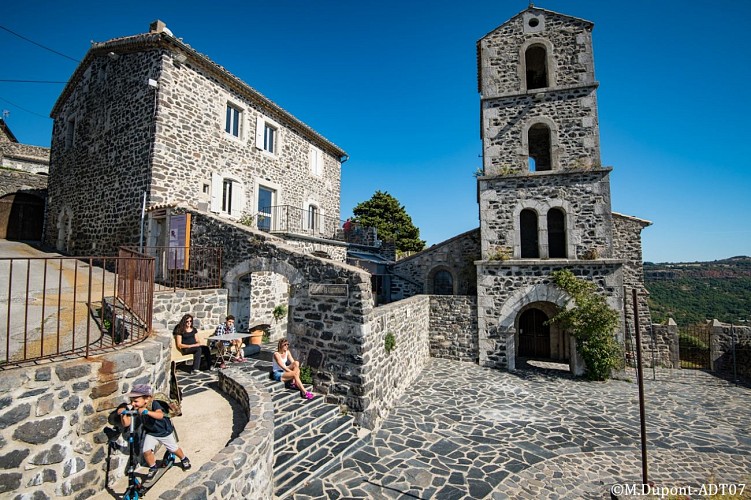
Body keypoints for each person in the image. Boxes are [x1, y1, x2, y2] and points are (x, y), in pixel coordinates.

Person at [117, 384, 191, 479]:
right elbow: (126, 424)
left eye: (135, 401)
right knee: (146, 451)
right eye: (131, 401)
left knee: (173, 448)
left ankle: (183, 458)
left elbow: (160, 415)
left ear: (147, 399)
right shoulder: (135, 407)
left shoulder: (154, 403)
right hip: (151, 432)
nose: (132, 404)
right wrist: (123, 413)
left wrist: (147, 412)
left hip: (163, 432)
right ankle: (153, 467)